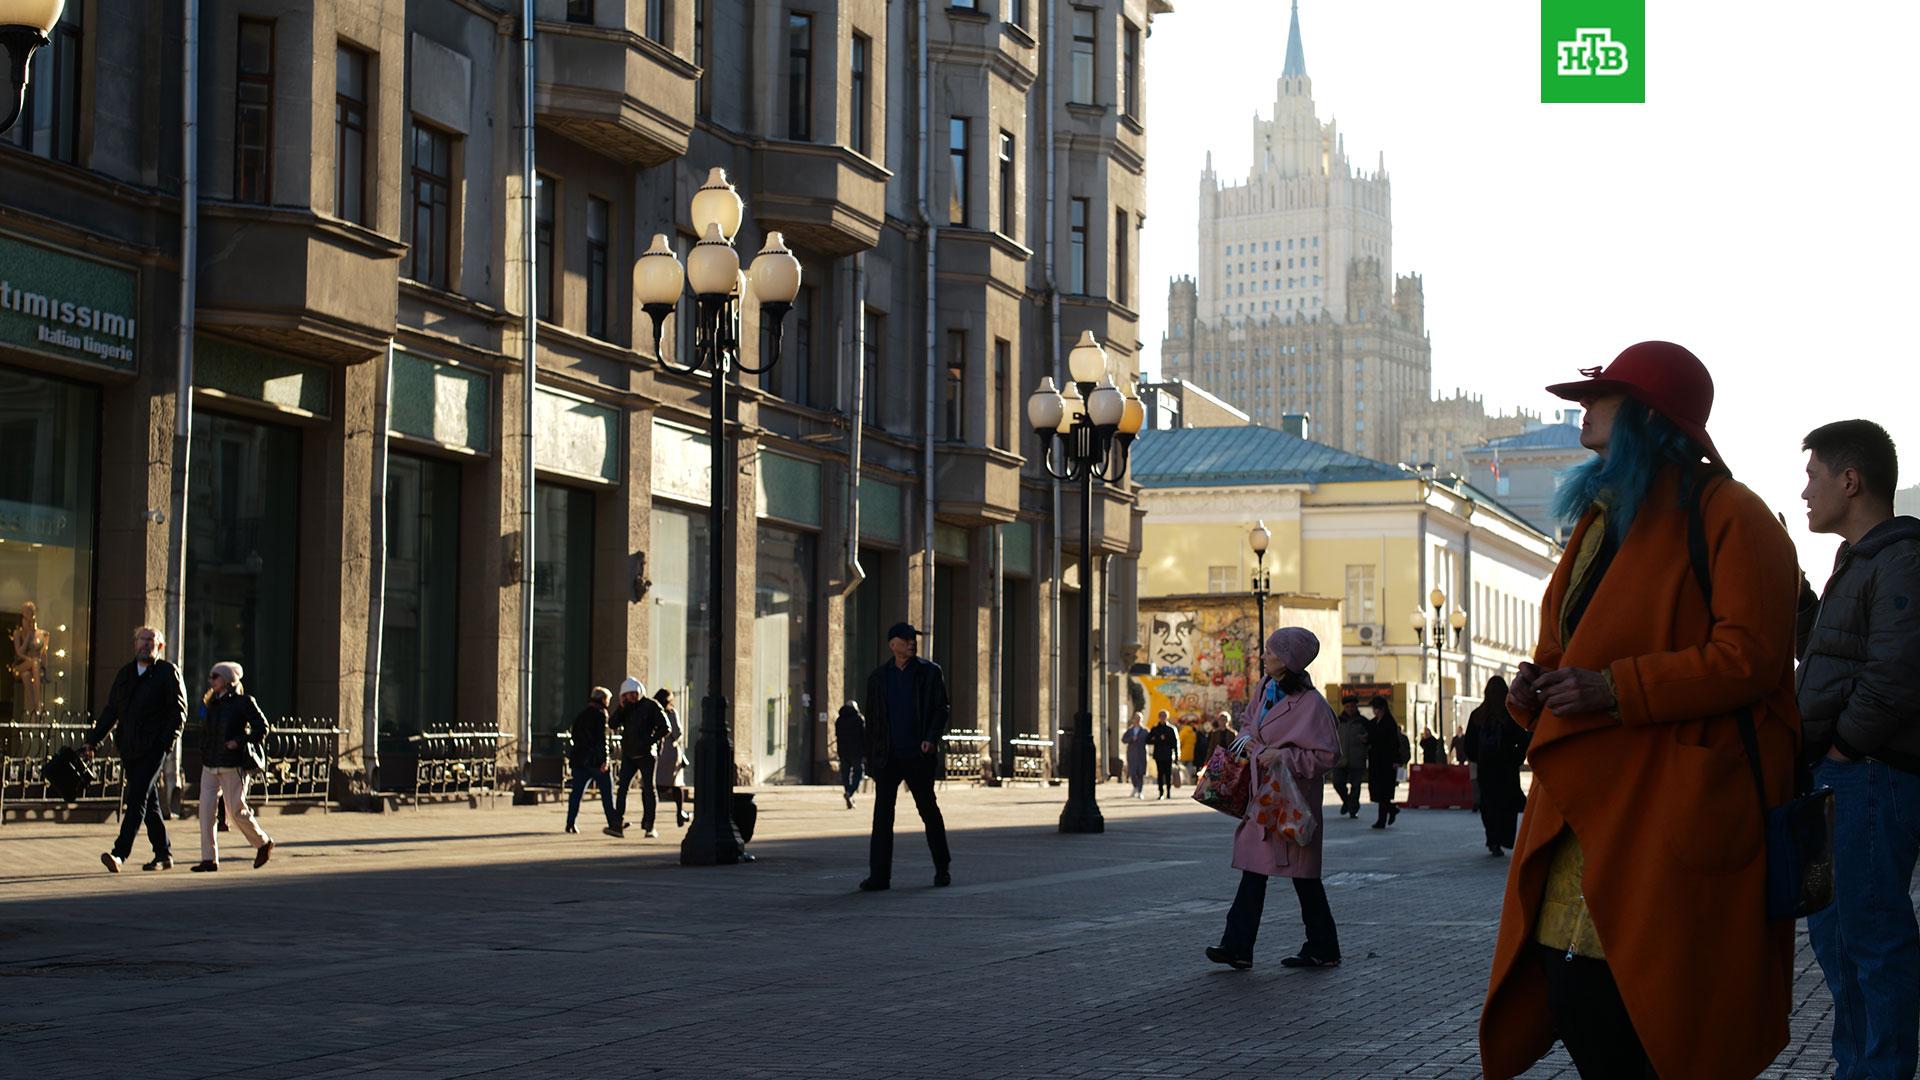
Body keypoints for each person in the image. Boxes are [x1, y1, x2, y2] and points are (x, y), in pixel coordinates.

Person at [1478, 342, 1800, 1080]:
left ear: (1649, 416)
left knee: (1660, 1021)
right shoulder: (1598, 522)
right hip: (1582, 820)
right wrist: (1538, 691)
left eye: (1602, 397)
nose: (1583, 409)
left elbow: (1750, 658)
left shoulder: (1732, 514)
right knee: (1577, 998)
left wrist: (1616, 689)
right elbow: (1564, 649)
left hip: (1670, 809)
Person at [1796, 419, 1920, 1080]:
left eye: (1814, 476)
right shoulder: (1858, 561)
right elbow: (1831, 656)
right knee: (1839, 941)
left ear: (1851, 480)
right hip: (1845, 777)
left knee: (1872, 943)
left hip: (1871, 777)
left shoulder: (1901, 556)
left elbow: (1895, 673)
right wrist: (1795, 598)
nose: (1805, 491)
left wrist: (1844, 747)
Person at [1206, 627, 1340, 971]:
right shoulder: (1266, 687)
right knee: (1255, 868)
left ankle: (1322, 946)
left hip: (1292, 803)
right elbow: (1250, 720)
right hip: (1262, 797)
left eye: (1270, 651)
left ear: (1289, 660)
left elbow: (1327, 756)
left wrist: (1283, 757)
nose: (1264, 655)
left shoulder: (1313, 705)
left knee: (1304, 876)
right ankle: (1237, 945)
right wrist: (1249, 740)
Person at [83, 626, 188, 872]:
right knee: (149, 802)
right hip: (129, 748)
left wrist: (165, 743)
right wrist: (93, 741)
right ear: (135, 644)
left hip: (154, 749)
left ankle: (119, 853)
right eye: (143, 640)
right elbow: (111, 712)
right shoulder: (125, 674)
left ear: (160, 647)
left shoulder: (167, 672)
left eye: (152, 641)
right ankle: (163, 853)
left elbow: (179, 713)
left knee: (137, 796)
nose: (146, 644)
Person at [858, 622, 952, 891]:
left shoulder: (930, 672)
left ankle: (942, 867)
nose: (911, 642)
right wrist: (871, 756)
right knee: (882, 816)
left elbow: (941, 708)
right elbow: (873, 721)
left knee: (928, 811)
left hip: (917, 755)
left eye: (914, 639)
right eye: (906, 639)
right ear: (892, 644)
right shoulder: (878, 678)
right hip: (888, 756)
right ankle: (879, 876)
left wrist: (931, 738)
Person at [190, 661, 273, 872]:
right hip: (210, 764)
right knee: (206, 811)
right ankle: (209, 858)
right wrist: (204, 748)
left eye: (215, 676)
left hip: (232, 763)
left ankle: (263, 843)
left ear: (227, 680)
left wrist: (240, 741)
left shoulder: (243, 702)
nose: (211, 680)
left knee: (235, 810)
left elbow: (262, 727)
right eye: (211, 676)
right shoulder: (210, 702)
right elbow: (205, 730)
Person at [1468, 676, 1527, 857]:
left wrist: (1477, 758)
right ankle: (1503, 839)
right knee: (1506, 807)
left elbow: (1469, 745)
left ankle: (1492, 839)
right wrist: (1516, 759)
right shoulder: (1510, 716)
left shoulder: (1477, 715)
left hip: (1486, 770)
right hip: (1506, 770)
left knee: (1489, 805)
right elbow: (1523, 740)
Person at [611, 677, 667, 838]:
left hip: (647, 754)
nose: (632, 697)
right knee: (622, 788)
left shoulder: (651, 705)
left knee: (649, 788)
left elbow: (665, 727)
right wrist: (621, 707)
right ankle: (617, 824)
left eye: (634, 693)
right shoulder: (626, 708)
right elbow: (613, 723)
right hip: (629, 754)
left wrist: (649, 741)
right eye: (628, 694)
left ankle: (650, 825)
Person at [565, 687, 619, 837]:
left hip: (579, 760)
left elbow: (575, 737)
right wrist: (605, 760)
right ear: (603, 700)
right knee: (607, 792)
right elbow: (602, 740)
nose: (608, 703)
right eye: (607, 699)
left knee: (577, 793)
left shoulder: (581, 715)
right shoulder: (601, 715)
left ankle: (570, 822)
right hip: (596, 761)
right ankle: (613, 822)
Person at [1365, 696, 1405, 829]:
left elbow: (1394, 744)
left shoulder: (1389, 723)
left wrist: (1396, 760)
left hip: (1387, 762)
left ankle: (1382, 820)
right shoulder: (1374, 722)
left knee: (1384, 792)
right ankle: (1392, 809)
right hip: (1376, 761)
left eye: (1376, 709)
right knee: (1379, 792)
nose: (1375, 711)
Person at [654, 688, 688, 828]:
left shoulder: (652, 711)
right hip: (671, 752)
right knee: (676, 785)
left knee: (654, 786)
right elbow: (678, 732)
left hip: (656, 752)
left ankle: (649, 818)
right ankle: (679, 813)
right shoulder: (672, 713)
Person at [10, 600, 49, 716]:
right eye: (25, 613)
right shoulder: (18, 633)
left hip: (32, 670)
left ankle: (33, 713)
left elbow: (43, 653)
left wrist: (46, 670)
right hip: (20, 666)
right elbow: (19, 652)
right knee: (34, 662)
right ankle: (38, 704)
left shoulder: (43, 634)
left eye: (30, 612)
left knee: (27, 675)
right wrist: (28, 636)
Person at [835, 700, 866, 809]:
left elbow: (837, 736)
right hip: (856, 752)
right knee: (858, 772)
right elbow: (864, 736)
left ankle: (848, 792)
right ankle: (850, 792)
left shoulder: (839, 720)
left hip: (843, 751)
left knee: (845, 775)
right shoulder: (858, 719)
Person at [1146, 710, 1179, 799]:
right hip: (1159, 755)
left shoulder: (1171, 729)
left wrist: (1176, 757)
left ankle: (1168, 791)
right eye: (1161, 716)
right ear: (1159, 717)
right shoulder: (1155, 729)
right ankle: (1161, 792)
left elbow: (1174, 744)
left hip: (1168, 755)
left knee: (1168, 774)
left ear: (1167, 717)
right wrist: (1158, 738)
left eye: (1164, 716)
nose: (1163, 718)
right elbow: (1148, 740)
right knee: (1160, 774)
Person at [1121, 713, 1149, 798]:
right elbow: (1123, 740)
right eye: (1136, 718)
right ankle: (1135, 787)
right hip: (1132, 755)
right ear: (1133, 719)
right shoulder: (1130, 731)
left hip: (1141, 754)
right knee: (1132, 773)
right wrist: (1131, 739)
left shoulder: (1145, 731)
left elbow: (1150, 740)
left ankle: (1140, 791)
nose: (1137, 720)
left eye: (1139, 718)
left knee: (1140, 773)